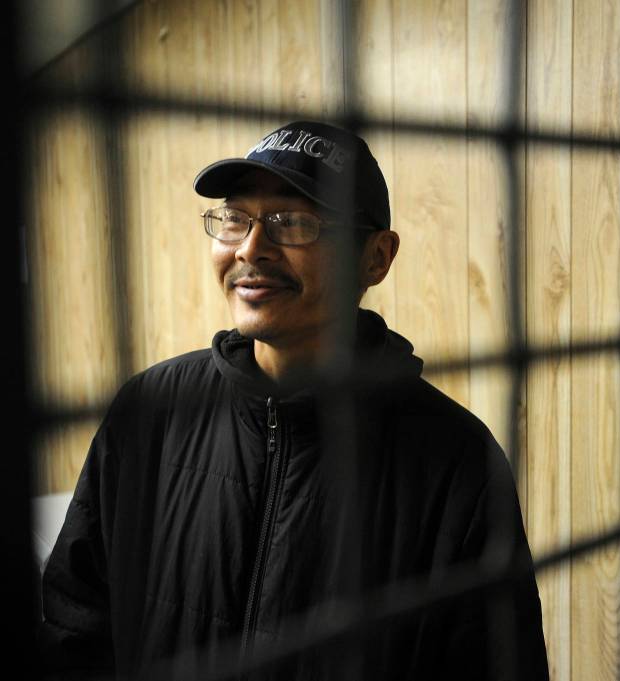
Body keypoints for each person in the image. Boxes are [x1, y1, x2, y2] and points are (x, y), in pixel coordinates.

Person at [38, 121, 549, 680]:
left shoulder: (454, 460)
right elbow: (75, 624)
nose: (251, 248)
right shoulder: (153, 410)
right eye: (235, 219)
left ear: (376, 258)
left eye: (295, 222)